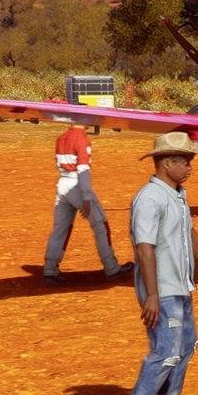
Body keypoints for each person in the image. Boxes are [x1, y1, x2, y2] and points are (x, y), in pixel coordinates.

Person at [116, 131, 198, 395]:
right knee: (165, 351)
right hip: (161, 287)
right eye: (185, 162)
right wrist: (153, 295)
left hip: (179, 284)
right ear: (166, 163)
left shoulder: (177, 193)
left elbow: (190, 231)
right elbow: (144, 248)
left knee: (185, 347)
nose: (190, 167)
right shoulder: (149, 198)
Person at [42, 118, 128, 281]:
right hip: (77, 185)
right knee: (100, 225)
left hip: (62, 183)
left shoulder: (61, 137)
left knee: (60, 228)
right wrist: (86, 196)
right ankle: (111, 267)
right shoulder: (82, 139)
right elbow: (83, 169)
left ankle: (50, 269)